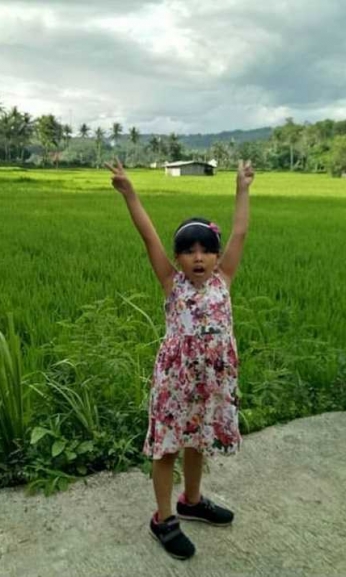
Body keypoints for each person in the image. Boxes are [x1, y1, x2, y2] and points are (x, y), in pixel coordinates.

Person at [105, 158, 254, 560]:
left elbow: (240, 230)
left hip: (212, 381)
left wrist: (243, 189)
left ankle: (191, 500)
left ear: (218, 256)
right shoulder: (172, 285)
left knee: (199, 439)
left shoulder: (224, 280)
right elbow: (149, 237)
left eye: (207, 250)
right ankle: (164, 518)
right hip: (176, 381)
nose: (199, 258)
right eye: (188, 251)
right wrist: (130, 193)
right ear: (178, 258)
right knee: (167, 446)